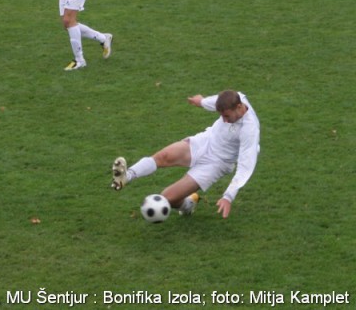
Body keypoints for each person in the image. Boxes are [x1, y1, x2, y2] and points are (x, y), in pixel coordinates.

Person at [111, 90, 260, 218]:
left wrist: (228, 196)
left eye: (227, 116)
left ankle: (187, 205)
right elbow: (216, 101)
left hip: (216, 163)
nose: (224, 120)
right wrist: (201, 101)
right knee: (164, 157)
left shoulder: (250, 130)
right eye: (221, 116)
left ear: (239, 107)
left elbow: (245, 166)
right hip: (205, 141)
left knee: (168, 198)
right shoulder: (236, 98)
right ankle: (127, 176)